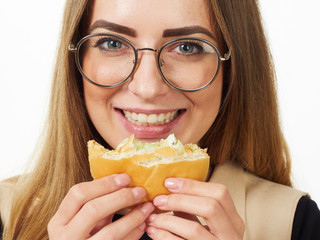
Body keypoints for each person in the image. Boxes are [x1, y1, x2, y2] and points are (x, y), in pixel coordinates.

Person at [0, 0, 319, 239]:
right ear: (76, 62)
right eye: (112, 43)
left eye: (188, 46)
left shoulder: (294, 223)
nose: (148, 88)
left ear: (232, 68)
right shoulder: (7, 216)